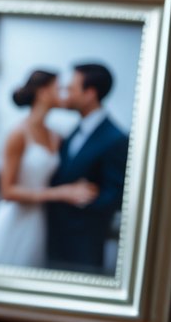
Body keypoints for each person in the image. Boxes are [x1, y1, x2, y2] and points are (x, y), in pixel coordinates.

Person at [0, 70, 97, 268]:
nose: (64, 94)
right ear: (43, 92)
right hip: (14, 220)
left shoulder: (56, 136)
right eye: (59, 88)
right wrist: (61, 193)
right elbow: (7, 191)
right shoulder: (18, 134)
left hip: (38, 222)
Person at [45, 62, 129, 274]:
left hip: (83, 247)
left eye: (71, 89)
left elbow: (115, 194)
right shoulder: (72, 131)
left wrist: (81, 197)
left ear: (90, 93)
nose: (66, 95)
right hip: (52, 237)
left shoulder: (115, 139)